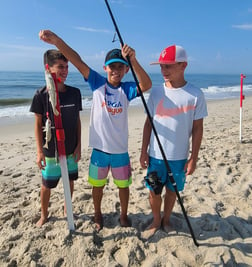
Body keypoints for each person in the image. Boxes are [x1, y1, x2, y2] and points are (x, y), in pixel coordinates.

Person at [39, 29, 152, 231]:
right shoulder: (97, 83)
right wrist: (57, 41)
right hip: (99, 150)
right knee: (97, 186)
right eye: (112, 67)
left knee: (123, 186)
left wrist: (133, 60)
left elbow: (147, 84)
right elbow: (76, 60)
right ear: (105, 68)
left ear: (126, 70)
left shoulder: (126, 89)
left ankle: (124, 215)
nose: (116, 70)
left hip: (120, 151)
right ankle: (98, 213)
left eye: (120, 67)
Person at [140, 45, 208, 239]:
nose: (163, 71)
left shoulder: (196, 94)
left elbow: (197, 128)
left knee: (172, 190)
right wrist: (143, 151)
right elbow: (148, 124)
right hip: (155, 155)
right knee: (154, 190)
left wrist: (193, 158)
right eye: (161, 67)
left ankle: (167, 219)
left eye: (168, 66)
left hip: (179, 157)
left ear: (183, 65)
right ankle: (155, 219)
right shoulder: (156, 92)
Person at [30, 49, 82, 227]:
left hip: (70, 147)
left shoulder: (74, 93)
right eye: (60, 67)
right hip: (51, 150)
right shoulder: (41, 95)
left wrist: (78, 146)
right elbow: (38, 124)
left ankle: (68, 208)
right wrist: (39, 151)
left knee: (70, 180)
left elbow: (77, 121)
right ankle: (44, 214)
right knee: (47, 185)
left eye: (67, 67)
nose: (65, 71)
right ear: (48, 67)